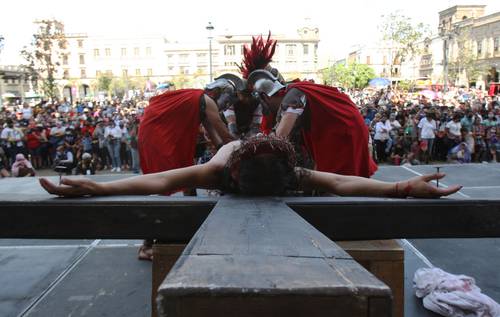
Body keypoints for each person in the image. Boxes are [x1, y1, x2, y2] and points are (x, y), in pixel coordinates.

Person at [40, 135, 461, 200]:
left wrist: (99, 186)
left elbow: (162, 180)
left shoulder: (216, 170)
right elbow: (337, 181)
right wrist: (400, 189)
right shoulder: (289, 173)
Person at [248, 69, 377, 177]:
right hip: (341, 128)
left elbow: (280, 138)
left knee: (340, 181)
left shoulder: (293, 95)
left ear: (265, 97)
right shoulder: (294, 92)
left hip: (344, 130)